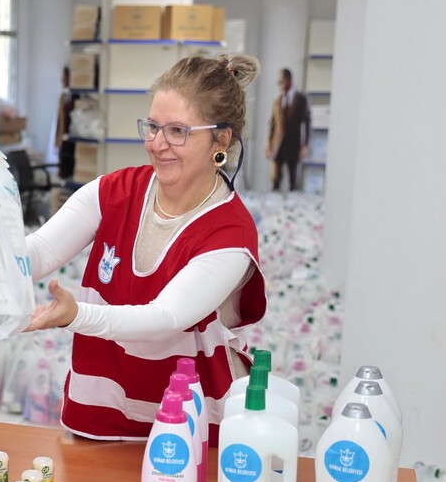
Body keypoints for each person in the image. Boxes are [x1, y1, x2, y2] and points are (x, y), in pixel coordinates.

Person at [25, 54, 266, 443]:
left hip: (186, 418)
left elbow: (166, 317)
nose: (157, 144)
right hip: (104, 401)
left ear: (221, 139)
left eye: (177, 131)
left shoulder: (229, 232)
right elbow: (39, 251)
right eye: (152, 127)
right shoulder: (114, 192)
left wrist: (75, 315)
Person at [266, 67, 311, 191]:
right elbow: (272, 124)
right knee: (275, 180)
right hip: (278, 145)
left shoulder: (301, 99)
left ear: (287, 81)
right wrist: (269, 144)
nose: (279, 85)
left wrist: (305, 145)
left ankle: (292, 199)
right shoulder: (277, 101)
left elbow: (307, 123)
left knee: (293, 181)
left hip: (294, 145)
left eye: (281, 81)